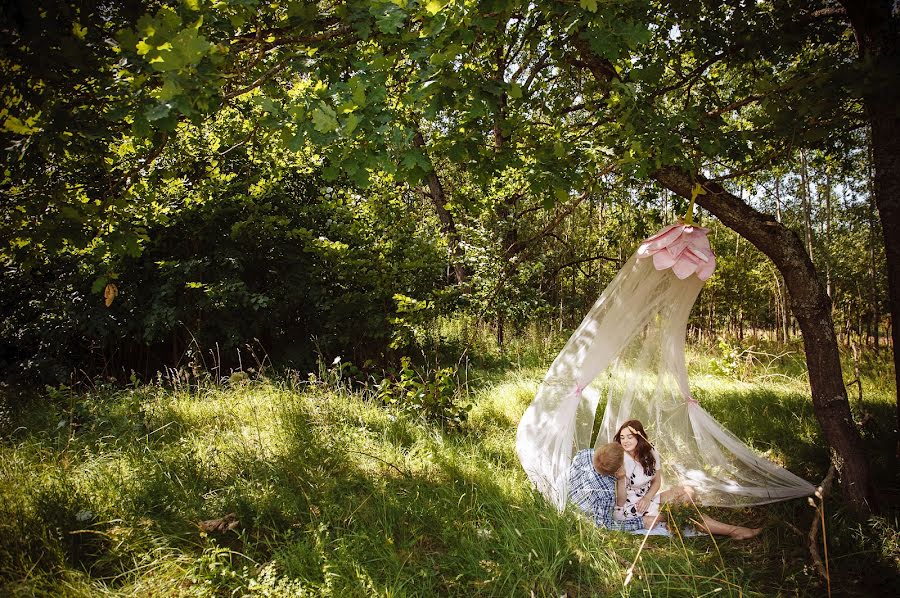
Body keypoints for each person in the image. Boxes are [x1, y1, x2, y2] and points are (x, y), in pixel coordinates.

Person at [570, 442, 763, 539]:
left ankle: (681, 519)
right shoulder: (605, 493)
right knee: (684, 511)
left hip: (634, 500)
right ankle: (733, 531)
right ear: (617, 469)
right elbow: (606, 524)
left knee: (686, 491)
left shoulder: (585, 455)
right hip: (630, 514)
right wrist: (641, 522)